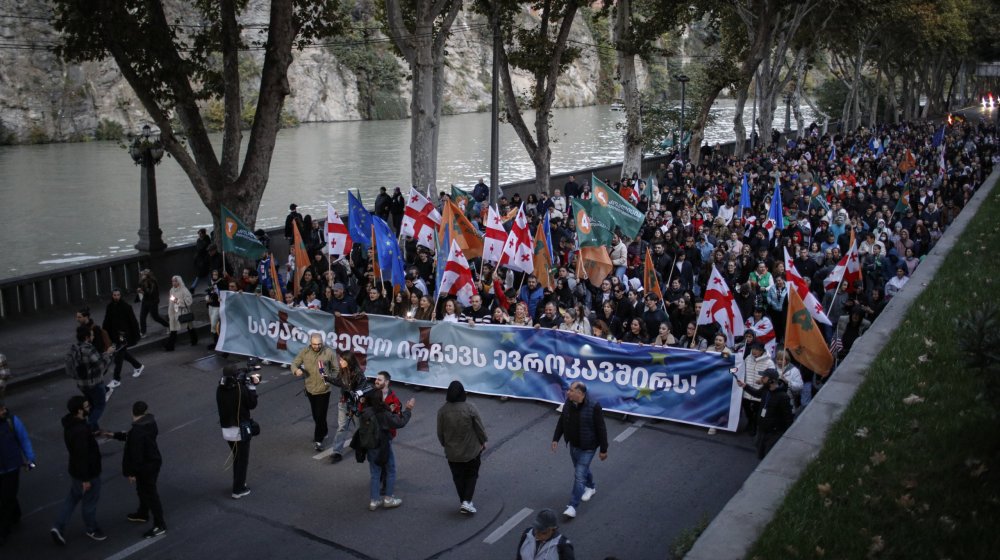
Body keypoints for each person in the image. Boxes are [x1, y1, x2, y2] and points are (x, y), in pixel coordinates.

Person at [51, 396, 106, 545]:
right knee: (90, 502)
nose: (89, 408)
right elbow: (83, 455)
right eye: (87, 406)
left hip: (75, 470)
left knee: (72, 498)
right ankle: (92, 528)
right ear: (79, 410)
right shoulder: (80, 430)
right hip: (88, 473)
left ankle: (58, 526)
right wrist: (86, 479)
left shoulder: (71, 424)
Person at [107, 401, 166, 538]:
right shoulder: (149, 423)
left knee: (150, 494)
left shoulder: (137, 431)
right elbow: (130, 437)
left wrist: (131, 473)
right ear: (145, 412)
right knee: (142, 490)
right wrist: (115, 435)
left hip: (146, 467)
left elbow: (135, 455)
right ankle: (142, 513)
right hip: (153, 462)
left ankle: (160, 525)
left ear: (132, 412)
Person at [551, 381, 608, 519]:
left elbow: (601, 428)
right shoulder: (569, 404)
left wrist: (603, 449)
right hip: (574, 445)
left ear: (580, 393)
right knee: (580, 469)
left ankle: (572, 506)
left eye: (571, 390)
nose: (567, 392)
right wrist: (555, 439)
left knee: (579, 474)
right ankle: (591, 487)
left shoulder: (594, 406)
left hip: (588, 448)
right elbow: (562, 421)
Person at [436, 380, 488, 514]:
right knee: (472, 474)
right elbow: (479, 427)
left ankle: (464, 501)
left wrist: (445, 445)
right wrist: (483, 441)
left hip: (452, 453)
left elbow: (440, 433)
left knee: (458, 477)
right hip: (471, 451)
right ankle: (467, 501)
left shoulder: (442, 411)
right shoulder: (470, 408)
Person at [361, 388, 415, 511]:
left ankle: (374, 501)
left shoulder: (365, 412)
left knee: (375, 473)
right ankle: (388, 498)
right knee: (391, 469)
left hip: (370, 446)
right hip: (383, 445)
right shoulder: (383, 413)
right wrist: (408, 409)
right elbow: (400, 422)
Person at [216, 364, 259, 499]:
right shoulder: (240, 389)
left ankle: (239, 481)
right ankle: (238, 489)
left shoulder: (220, 388)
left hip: (227, 429)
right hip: (240, 429)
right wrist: (251, 386)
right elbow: (252, 404)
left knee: (236, 456)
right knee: (242, 459)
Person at [292, 333, 336, 452]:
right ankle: (324, 430)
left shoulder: (329, 353)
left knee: (320, 415)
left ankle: (318, 440)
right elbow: (294, 363)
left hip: (324, 390)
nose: (317, 346)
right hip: (310, 388)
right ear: (310, 343)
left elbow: (336, 369)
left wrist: (330, 378)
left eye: (319, 344)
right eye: (314, 344)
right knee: (316, 415)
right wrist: (296, 371)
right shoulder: (304, 352)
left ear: (322, 343)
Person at [0, 401, 36, 546]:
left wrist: (30, 459)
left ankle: (3, 530)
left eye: (2, 408)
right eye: (0, 409)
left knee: (6, 498)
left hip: (12, 466)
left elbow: (24, 439)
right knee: (7, 495)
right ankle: (15, 514)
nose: (4, 411)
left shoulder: (11, 421)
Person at [736, 369, 793, 459]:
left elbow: (788, 418)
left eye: (764, 377)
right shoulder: (766, 389)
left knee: (768, 456)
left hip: (773, 432)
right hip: (762, 429)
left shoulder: (783, 397)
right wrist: (745, 386)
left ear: (772, 381)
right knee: (760, 452)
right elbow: (756, 394)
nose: (761, 379)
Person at [69, 324, 115, 432]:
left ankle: (95, 429)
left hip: (82, 384)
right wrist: (108, 354)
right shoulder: (89, 350)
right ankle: (89, 427)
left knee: (92, 406)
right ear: (87, 337)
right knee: (99, 405)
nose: (93, 337)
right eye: (92, 335)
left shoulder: (75, 349)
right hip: (94, 383)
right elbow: (101, 366)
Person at [328, 351, 368, 463]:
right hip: (344, 403)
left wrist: (353, 395)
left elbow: (362, 390)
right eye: (339, 360)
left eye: (342, 360)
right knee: (342, 427)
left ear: (348, 361)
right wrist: (327, 378)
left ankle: (364, 446)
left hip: (355, 405)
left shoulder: (359, 374)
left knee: (359, 427)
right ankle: (337, 452)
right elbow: (339, 382)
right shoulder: (343, 370)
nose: (340, 362)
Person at [102, 288, 145, 388]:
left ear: (120, 296)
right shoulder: (110, 307)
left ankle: (116, 379)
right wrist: (104, 332)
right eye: (114, 295)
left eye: (118, 295)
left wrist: (136, 334)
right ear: (112, 296)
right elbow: (107, 320)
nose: (116, 297)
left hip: (123, 335)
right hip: (115, 335)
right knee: (122, 353)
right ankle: (138, 366)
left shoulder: (126, 307)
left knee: (119, 356)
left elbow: (133, 321)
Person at [166, 275, 196, 351]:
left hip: (183, 312)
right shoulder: (171, 290)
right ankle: (170, 346)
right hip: (174, 312)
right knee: (173, 329)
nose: (174, 282)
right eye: (172, 281)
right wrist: (170, 312)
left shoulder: (184, 290)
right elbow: (171, 302)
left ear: (179, 281)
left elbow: (189, 301)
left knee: (189, 326)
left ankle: (194, 340)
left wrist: (178, 301)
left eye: (175, 281)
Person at [136, 269, 169, 337]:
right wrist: (139, 290)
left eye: (143, 274)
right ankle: (143, 332)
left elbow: (151, 293)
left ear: (147, 275)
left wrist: (142, 292)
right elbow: (141, 288)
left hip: (153, 302)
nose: (141, 276)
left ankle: (168, 326)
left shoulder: (152, 282)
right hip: (145, 301)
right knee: (142, 317)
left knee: (155, 317)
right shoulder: (142, 281)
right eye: (141, 275)